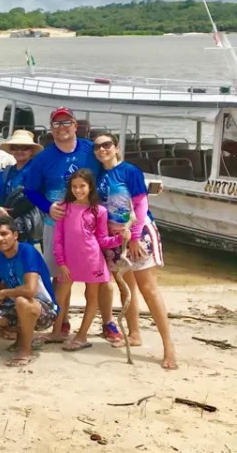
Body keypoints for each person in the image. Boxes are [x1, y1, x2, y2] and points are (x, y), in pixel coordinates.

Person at [93, 133, 177, 369]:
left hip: (137, 234)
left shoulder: (129, 171)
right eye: (97, 147)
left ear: (116, 147)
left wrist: (136, 237)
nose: (102, 149)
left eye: (106, 145)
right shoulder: (99, 175)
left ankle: (168, 346)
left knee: (148, 289)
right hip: (115, 238)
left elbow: (140, 204)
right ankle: (134, 333)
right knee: (126, 287)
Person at [23, 106, 103, 339]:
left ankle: (107, 322)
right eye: (56, 124)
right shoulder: (43, 158)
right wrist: (48, 207)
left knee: (99, 279)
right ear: (51, 129)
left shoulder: (91, 150)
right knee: (60, 275)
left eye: (66, 122)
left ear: (76, 125)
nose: (62, 127)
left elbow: (109, 172)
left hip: (91, 224)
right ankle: (62, 321)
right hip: (56, 224)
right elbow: (30, 190)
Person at [50, 169, 125, 352]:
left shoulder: (99, 211)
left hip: (93, 260)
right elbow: (58, 239)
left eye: (82, 186)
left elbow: (102, 240)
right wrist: (61, 263)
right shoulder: (63, 208)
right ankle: (56, 332)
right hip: (69, 262)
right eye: (74, 186)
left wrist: (120, 239)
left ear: (90, 187)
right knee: (60, 296)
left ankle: (82, 336)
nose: (78, 190)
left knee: (91, 297)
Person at [0, 217, 58, 367]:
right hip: (15, 304)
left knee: (22, 301)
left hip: (43, 308)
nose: (0, 239)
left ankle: (26, 350)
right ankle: (22, 336)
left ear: (15, 235)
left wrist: (4, 293)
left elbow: (30, 290)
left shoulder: (27, 251)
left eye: (4, 234)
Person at [0, 130, 43, 244]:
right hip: (6, 223)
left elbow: (33, 197)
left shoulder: (36, 170)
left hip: (26, 224)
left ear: (31, 151)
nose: (19, 151)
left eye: (24, 148)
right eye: (15, 148)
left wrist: (10, 215)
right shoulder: (8, 170)